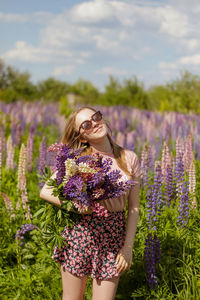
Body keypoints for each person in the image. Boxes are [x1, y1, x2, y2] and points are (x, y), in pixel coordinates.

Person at [40, 106, 141, 300]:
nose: (94, 123)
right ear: (83, 137)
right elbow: (46, 190)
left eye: (96, 117)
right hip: (80, 233)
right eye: (86, 124)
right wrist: (78, 206)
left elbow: (134, 208)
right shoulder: (78, 159)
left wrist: (128, 247)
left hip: (113, 236)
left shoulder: (129, 158)